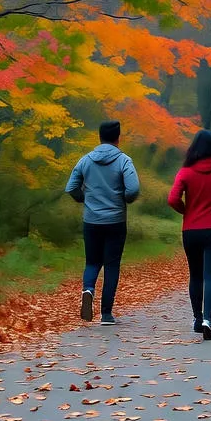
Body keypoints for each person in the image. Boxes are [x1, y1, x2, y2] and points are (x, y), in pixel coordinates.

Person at [167, 129, 211, 341]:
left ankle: (197, 319)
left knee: (196, 275)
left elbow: (172, 199)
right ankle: (208, 319)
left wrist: (186, 211)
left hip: (191, 230)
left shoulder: (185, 172)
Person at [65, 120, 140, 325]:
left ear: (99, 136)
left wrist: (84, 199)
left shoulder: (85, 160)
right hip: (115, 220)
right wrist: (125, 199)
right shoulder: (124, 161)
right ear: (118, 137)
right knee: (111, 265)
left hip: (91, 220)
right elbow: (133, 190)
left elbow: (71, 187)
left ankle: (88, 289)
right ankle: (106, 314)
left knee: (92, 261)